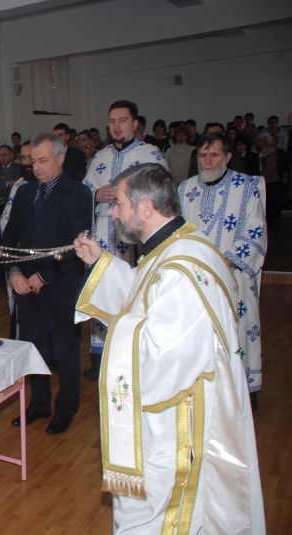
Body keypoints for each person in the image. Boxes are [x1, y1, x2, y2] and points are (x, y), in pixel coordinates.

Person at [73, 163, 264, 534]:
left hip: (180, 418)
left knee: (165, 511)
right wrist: (101, 262)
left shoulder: (181, 268)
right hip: (178, 403)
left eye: (120, 204)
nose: (115, 214)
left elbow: (166, 355)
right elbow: (144, 297)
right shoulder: (179, 245)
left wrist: (120, 326)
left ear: (146, 208)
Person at [3, 132, 93, 434]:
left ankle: (65, 410)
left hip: (61, 286)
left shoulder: (79, 193)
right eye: (32, 160)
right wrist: (14, 271)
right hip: (26, 289)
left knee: (66, 354)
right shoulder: (25, 192)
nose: (37, 167)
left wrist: (44, 276)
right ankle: (39, 404)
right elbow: (9, 239)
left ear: (61, 158)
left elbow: (75, 244)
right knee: (35, 351)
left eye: (43, 160)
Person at [178, 132, 266, 408]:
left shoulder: (247, 187)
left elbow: (255, 232)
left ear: (227, 157)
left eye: (214, 155)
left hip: (234, 277)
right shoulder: (185, 189)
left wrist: (223, 262)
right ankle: (205, 396)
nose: (207, 160)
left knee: (237, 334)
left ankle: (244, 398)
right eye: (203, 155)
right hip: (195, 278)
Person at [82, 100, 168, 379]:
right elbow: (83, 192)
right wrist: (96, 196)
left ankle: (135, 361)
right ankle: (102, 363)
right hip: (103, 236)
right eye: (112, 121)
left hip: (135, 239)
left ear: (135, 123)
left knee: (134, 296)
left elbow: (163, 196)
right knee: (103, 292)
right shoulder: (100, 157)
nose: (116, 126)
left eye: (123, 120)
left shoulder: (151, 154)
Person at [0, 141, 34, 337]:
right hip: (18, 254)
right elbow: (6, 218)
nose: (27, 162)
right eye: (23, 158)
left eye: (31, 158)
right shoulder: (19, 186)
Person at [0, 145, 21, 246]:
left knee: (8, 240)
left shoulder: (18, 167)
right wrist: (8, 183)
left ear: (12, 155)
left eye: (5, 155)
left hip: (10, 206)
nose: (2, 157)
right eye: (0, 155)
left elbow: (17, 185)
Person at [256, 132, 281, 225]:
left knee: (269, 200)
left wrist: (262, 175)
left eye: (264, 141)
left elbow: (272, 165)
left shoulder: (271, 151)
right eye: (259, 140)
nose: (261, 143)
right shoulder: (253, 150)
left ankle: (270, 220)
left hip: (270, 179)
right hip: (257, 179)